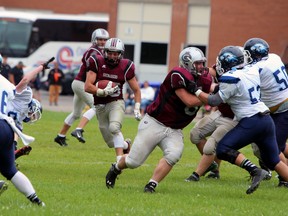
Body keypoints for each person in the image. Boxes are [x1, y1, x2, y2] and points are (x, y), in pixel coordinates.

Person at [105, 47, 213, 193]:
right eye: (197, 63)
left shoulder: (204, 78)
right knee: (133, 162)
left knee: (174, 154)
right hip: (155, 123)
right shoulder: (177, 74)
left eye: (202, 63)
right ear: (187, 63)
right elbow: (189, 101)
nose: (201, 67)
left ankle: (151, 184)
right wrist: (211, 99)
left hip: (174, 129)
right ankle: (116, 168)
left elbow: (212, 82)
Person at [193, 45, 288, 194]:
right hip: (266, 119)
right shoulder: (252, 70)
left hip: (251, 122)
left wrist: (196, 90)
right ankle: (265, 173)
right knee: (273, 160)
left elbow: (213, 101)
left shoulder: (229, 79)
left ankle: (255, 170)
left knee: (222, 149)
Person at [0, 54, 52, 205]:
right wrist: (41, 67)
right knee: (10, 170)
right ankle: (37, 201)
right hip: (8, 128)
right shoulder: (6, 83)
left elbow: (24, 80)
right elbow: (24, 82)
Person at [85, 37, 142, 163]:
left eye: (115, 53)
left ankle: (119, 161)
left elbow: (136, 90)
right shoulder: (96, 61)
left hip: (116, 102)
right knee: (110, 142)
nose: (112, 56)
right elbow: (87, 86)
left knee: (114, 128)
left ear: (120, 54)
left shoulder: (126, 66)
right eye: (110, 53)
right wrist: (101, 92)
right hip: (99, 105)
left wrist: (137, 107)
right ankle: (126, 145)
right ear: (105, 52)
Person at [243, 37, 288, 186]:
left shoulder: (257, 69)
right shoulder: (274, 57)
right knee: (274, 145)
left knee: (273, 149)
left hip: (282, 110)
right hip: (278, 109)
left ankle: (284, 177)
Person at [54, 28, 109, 146]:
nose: (102, 42)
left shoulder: (99, 52)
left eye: (104, 40)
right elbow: (91, 64)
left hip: (79, 83)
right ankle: (79, 130)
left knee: (76, 113)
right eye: (100, 39)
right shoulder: (94, 51)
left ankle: (60, 136)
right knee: (97, 106)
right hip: (82, 84)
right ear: (95, 39)